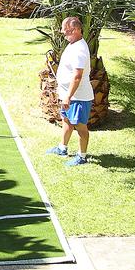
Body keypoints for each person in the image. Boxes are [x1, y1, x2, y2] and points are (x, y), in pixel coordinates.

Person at [47, 17, 93, 166]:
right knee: (66, 119)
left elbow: (77, 76)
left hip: (77, 97)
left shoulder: (80, 50)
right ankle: (62, 147)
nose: (62, 33)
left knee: (80, 126)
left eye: (65, 31)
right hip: (68, 94)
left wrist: (68, 96)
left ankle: (82, 156)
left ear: (75, 30)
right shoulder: (73, 44)